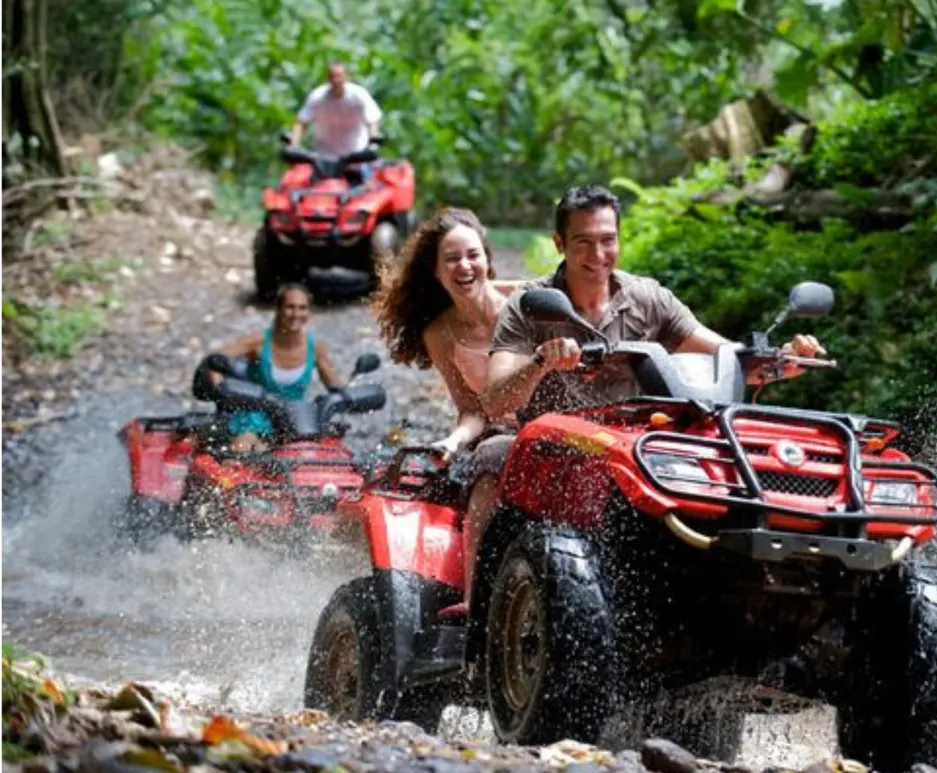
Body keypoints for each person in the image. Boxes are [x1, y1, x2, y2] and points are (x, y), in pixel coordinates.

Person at [449, 185, 823, 604]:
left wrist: (781, 358)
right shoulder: (529, 305)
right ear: (559, 243)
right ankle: (477, 601)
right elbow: (496, 400)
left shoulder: (648, 299)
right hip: (552, 446)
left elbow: (726, 355)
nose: (597, 255)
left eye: (607, 241)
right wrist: (541, 362)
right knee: (492, 455)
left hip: (636, 444)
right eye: (583, 242)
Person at [372, 207, 526, 586]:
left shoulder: (524, 300)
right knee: (484, 481)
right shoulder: (439, 334)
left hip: (548, 419)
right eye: (452, 259)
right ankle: (474, 602)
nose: (464, 266)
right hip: (496, 433)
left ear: (488, 261)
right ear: (437, 272)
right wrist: (453, 441)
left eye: (473, 255)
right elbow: (471, 410)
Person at [214, 284, 345, 452]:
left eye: (302, 308)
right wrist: (218, 387)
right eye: (290, 307)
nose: (296, 314)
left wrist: (351, 397)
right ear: (279, 310)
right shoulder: (257, 343)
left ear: (309, 312)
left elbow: (336, 388)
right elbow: (215, 361)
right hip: (253, 420)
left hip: (296, 423)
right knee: (244, 446)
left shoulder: (316, 349)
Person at [289, 62, 382, 183]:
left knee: (362, 187)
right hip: (324, 160)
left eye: (339, 76)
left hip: (355, 158)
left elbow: (372, 121)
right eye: (332, 76)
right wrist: (293, 145)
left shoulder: (359, 96)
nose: (336, 80)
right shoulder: (317, 97)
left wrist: (373, 144)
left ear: (345, 77)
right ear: (328, 78)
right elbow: (301, 122)